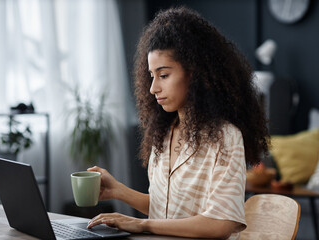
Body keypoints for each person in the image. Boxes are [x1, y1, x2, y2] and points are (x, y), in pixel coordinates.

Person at [87, 6, 269, 239]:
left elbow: (221, 223)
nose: (153, 88)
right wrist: (118, 191)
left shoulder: (226, 137)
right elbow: (167, 208)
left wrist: (142, 225)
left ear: (195, 73)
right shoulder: (162, 134)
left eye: (163, 75)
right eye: (151, 76)